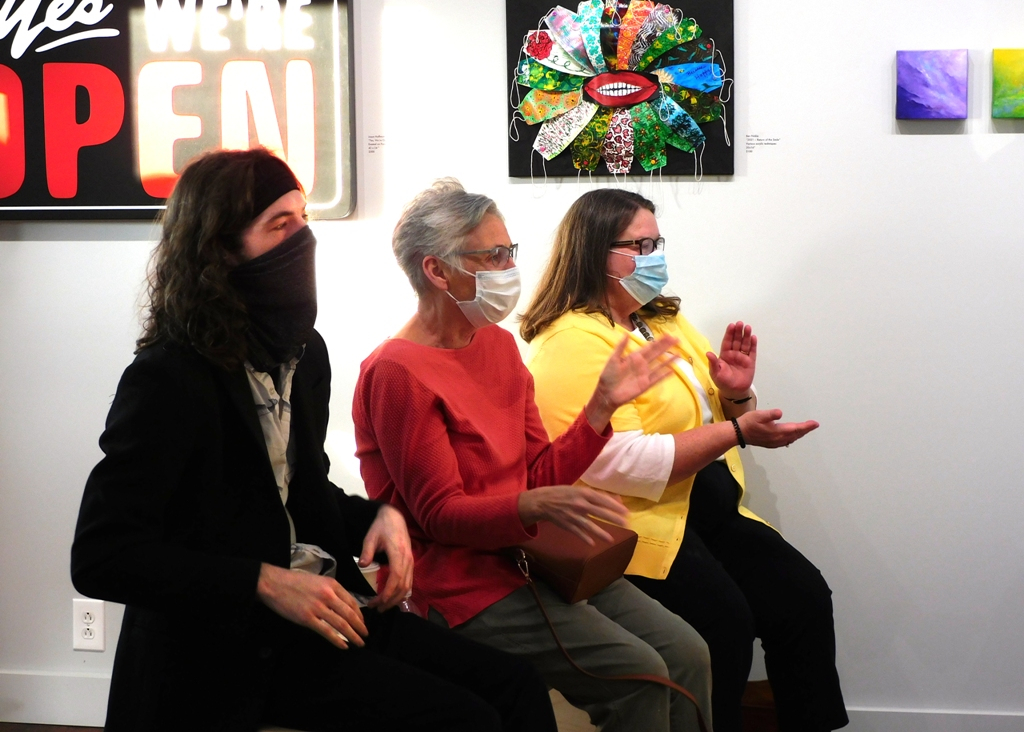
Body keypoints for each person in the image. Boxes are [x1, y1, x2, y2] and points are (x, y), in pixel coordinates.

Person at [70, 149, 560, 732]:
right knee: (464, 719)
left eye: (304, 219)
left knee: (516, 685)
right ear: (221, 249)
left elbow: (296, 491)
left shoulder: (305, 353)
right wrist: (263, 581)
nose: (302, 239)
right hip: (225, 644)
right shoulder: (169, 377)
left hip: (323, 607)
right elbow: (103, 556)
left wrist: (378, 516)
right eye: (280, 225)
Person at [353, 178, 713, 732]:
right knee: (643, 677)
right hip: (461, 584)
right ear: (437, 270)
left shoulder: (498, 344)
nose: (509, 268)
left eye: (509, 251)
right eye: (492, 256)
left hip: (534, 557)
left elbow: (538, 471)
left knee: (689, 653)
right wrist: (531, 506)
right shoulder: (397, 372)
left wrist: (599, 410)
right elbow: (440, 515)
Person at [521, 189, 849, 732]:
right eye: (640, 245)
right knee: (724, 627)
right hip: (635, 525)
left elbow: (716, 411)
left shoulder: (657, 320)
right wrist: (737, 430)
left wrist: (736, 394)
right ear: (596, 253)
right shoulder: (570, 342)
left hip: (702, 506)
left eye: (658, 242)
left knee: (802, 597)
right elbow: (620, 461)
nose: (655, 256)